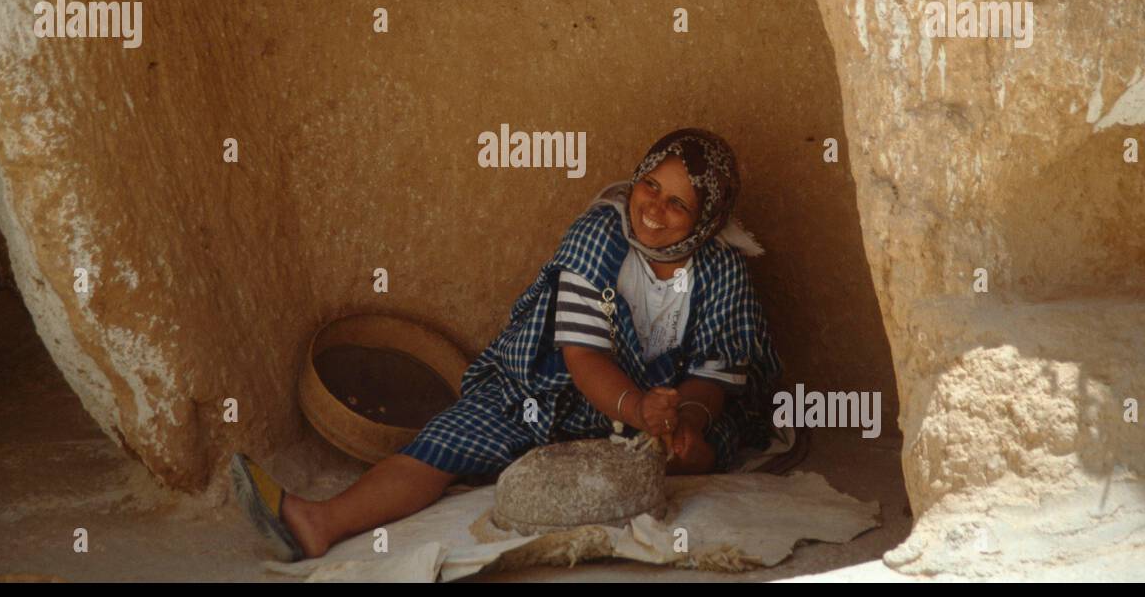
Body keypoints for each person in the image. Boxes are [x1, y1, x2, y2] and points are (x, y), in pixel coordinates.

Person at [233, 128, 782, 560]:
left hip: (658, 408)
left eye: (679, 205)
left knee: (700, 447)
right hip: (554, 388)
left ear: (705, 220)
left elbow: (713, 376)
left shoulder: (722, 270)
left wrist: (680, 418)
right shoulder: (601, 235)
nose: (654, 210)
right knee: (448, 438)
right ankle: (319, 522)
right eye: (651, 186)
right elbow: (583, 355)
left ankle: (650, 459)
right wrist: (636, 407)